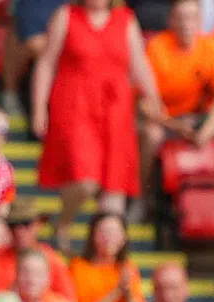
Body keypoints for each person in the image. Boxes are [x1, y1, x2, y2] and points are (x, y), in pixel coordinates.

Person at [33, 0, 162, 252]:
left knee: (114, 194)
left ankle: (102, 261)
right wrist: (39, 108)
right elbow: (47, 62)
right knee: (85, 180)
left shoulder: (126, 19)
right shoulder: (66, 15)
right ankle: (64, 221)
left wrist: (154, 99)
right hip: (75, 105)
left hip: (115, 111)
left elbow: (140, 66)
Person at [142, 0, 214, 191]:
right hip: (165, 120)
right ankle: (141, 194)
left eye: (192, 18)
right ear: (171, 21)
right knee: (152, 135)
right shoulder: (156, 49)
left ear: (200, 20)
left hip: (196, 119)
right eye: (181, 18)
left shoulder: (212, 47)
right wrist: (176, 126)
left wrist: (207, 130)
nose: (186, 24)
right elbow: (144, 105)